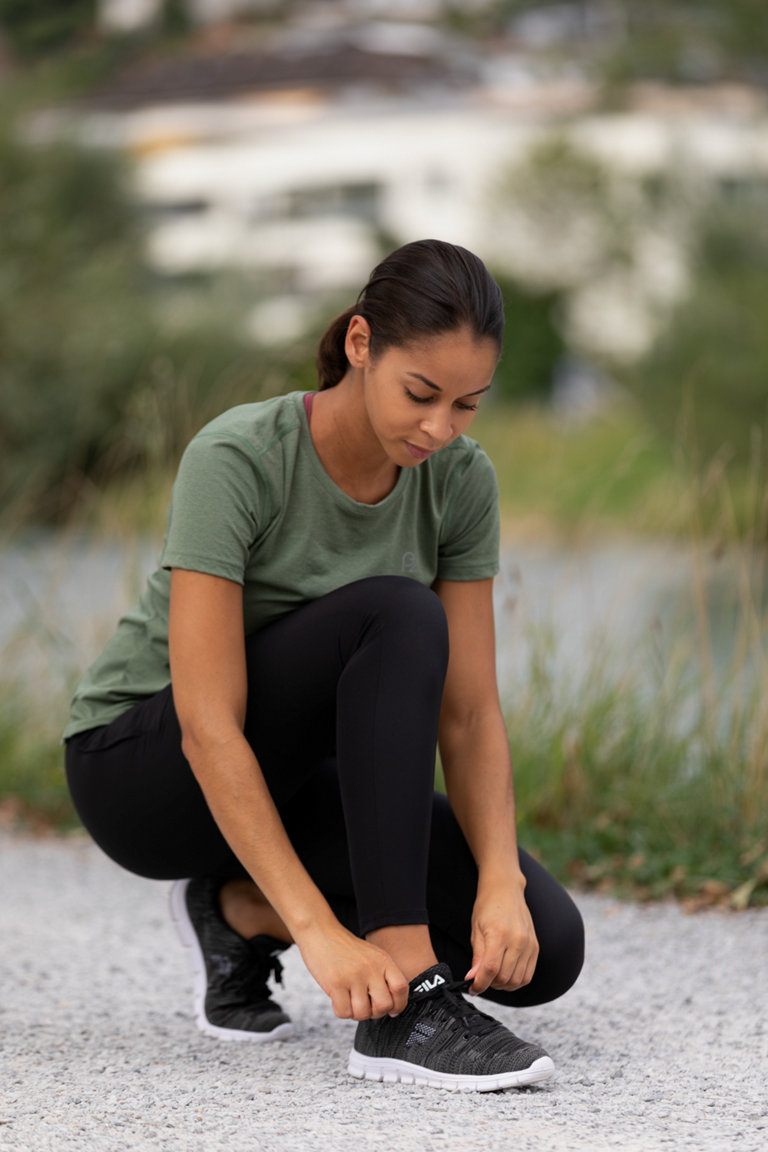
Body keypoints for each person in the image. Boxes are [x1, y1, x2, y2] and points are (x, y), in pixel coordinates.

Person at [64, 239, 584, 1093]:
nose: (439, 428)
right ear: (358, 344)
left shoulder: (459, 480)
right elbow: (207, 723)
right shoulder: (239, 457)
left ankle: (235, 912)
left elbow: (469, 712)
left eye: (466, 405)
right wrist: (322, 930)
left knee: (546, 951)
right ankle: (408, 1008)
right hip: (146, 769)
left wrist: (499, 881)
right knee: (397, 611)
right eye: (421, 394)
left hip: (298, 767)